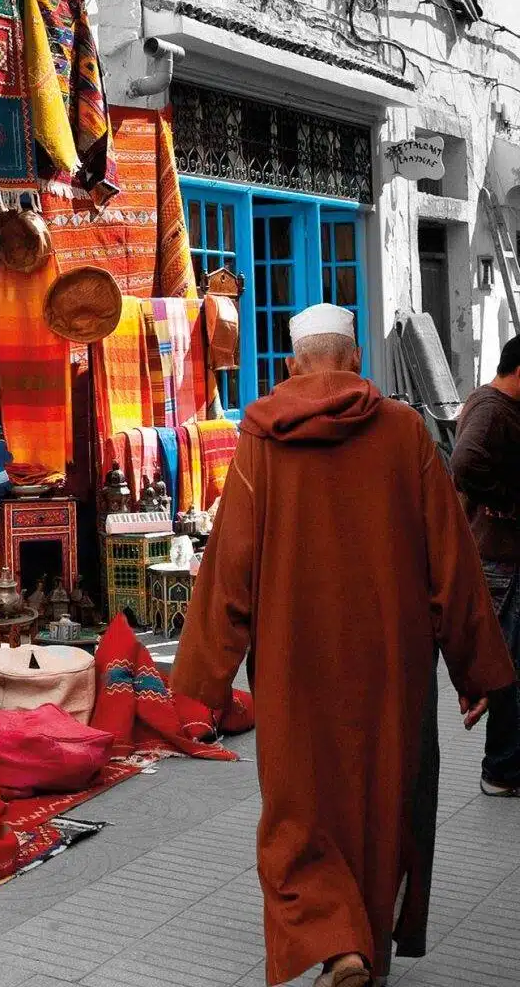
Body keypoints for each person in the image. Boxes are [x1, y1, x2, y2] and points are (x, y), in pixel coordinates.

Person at [171, 303, 515, 987]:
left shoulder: (261, 442)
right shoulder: (405, 433)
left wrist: (200, 686)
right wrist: (474, 669)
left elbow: (228, 570)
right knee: (387, 800)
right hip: (393, 660)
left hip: (293, 663)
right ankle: (366, 947)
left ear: (292, 365)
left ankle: (339, 946)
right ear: (356, 361)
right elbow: (451, 561)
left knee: (299, 807)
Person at [451, 335, 520, 795]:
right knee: (509, 666)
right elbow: (464, 463)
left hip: (505, 555)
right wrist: (505, 501)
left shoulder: (496, 404)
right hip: (500, 559)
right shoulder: (492, 409)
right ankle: (501, 768)